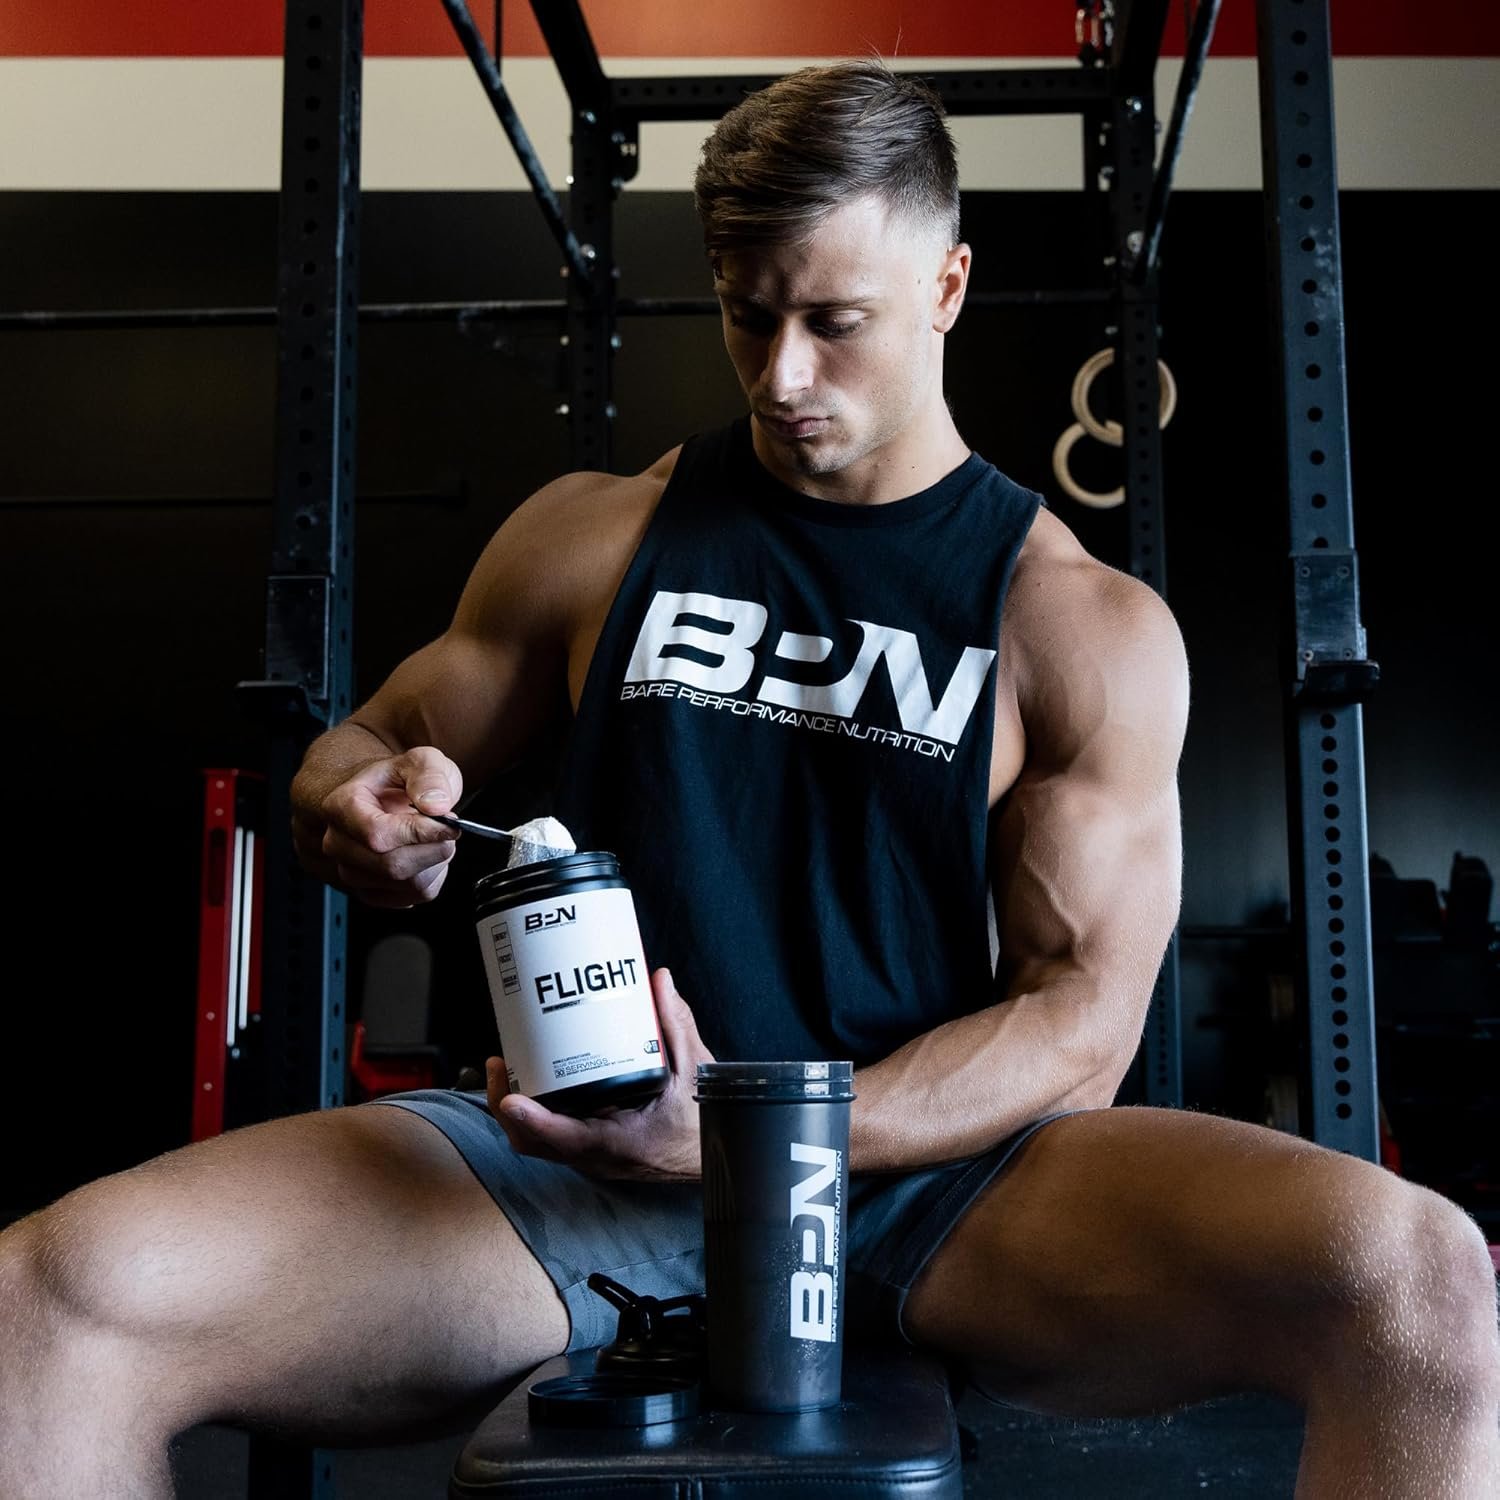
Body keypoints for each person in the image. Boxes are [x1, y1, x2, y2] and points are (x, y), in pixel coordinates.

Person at [3, 59, 1496, 1500]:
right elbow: (364, 739)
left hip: (930, 1186)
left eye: (835, 322)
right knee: (51, 1295)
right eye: (747, 314)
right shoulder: (595, 532)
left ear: (947, 287)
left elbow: (1078, 1027)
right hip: (579, 1167)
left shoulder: (1076, 625)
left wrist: (757, 1129)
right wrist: (358, 806)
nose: (783, 376)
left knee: (1417, 1279)